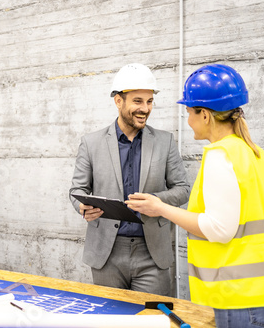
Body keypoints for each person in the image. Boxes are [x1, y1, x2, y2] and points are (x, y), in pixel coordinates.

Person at [126, 64, 264, 327]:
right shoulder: (254, 153)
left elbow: (219, 229)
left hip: (238, 298)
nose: (188, 120)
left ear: (205, 115)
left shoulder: (221, 155)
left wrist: (160, 208)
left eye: (189, 112)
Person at [69, 63, 190, 296]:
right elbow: (77, 189)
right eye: (138, 101)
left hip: (152, 254)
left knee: (154, 320)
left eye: (149, 101)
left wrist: (155, 201)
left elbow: (183, 189)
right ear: (118, 101)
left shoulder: (165, 141)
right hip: (107, 253)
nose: (145, 108)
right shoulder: (91, 142)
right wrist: (82, 207)